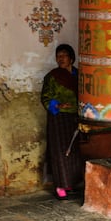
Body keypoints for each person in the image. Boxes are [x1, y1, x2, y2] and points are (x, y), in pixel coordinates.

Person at [41, 44, 84, 200]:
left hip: (74, 118)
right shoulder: (52, 76)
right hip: (58, 118)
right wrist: (57, 105)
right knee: (59, 152)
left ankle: (70, 184)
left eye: (64, 55)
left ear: (71, 58)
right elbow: (45, 97)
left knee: (73, 152)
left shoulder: (79, 76)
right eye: (58, 56)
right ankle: (60, 186)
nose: (61, 58)